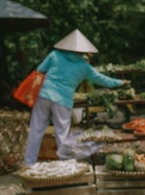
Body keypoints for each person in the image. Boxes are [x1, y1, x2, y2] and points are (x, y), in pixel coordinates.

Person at [23, 30, 128, 166]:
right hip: (63, 100)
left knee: (36, 129)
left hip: (44, 95)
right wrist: (119, 82)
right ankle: (65, 164)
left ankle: (28, 164)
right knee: (62, 133)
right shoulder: (84, 67)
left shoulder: (54, 55)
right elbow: (102, 79)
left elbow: (40, 69)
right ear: (83, 51)